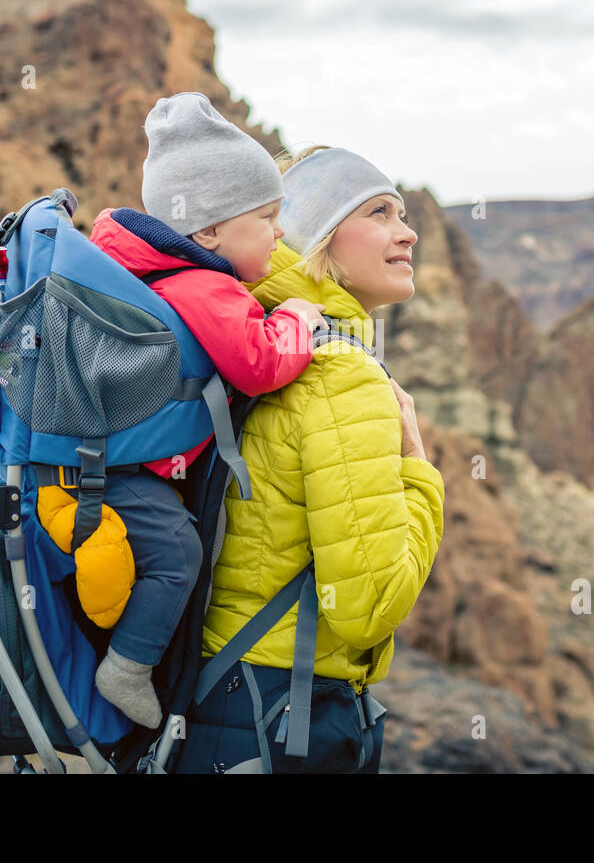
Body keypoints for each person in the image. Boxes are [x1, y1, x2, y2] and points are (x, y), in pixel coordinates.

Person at [172, 145, 446, 773]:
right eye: (378, 212)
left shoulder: (260, 343)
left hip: (214, 699)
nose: (407, 233)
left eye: (402, 213)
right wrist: (421, 470)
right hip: (284, 715)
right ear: (318, 237)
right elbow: (369, 607)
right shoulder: (342, 375)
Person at [82, 93, 327, 728]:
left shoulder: (160, 272)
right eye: (266, 216)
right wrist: (299, 317)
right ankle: (127, 669)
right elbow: (259, 365)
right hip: (121, 477)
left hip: (107, 465)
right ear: (210, 231)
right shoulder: (205, 286)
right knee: (180, 555)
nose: (279, 231)